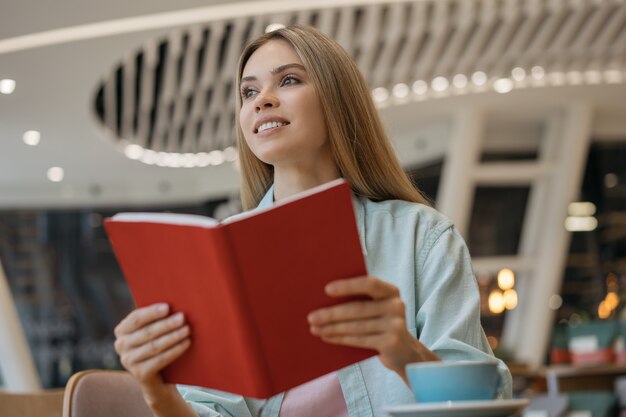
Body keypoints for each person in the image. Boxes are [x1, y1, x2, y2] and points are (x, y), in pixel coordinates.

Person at [113, 24, 512, 417]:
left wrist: (404, 353)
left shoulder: (421, 237)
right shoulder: (220, 266)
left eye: (288, 80)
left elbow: (484, 408)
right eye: (248, 91)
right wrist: (157, 392)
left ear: (337, 100)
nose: (261, 100)